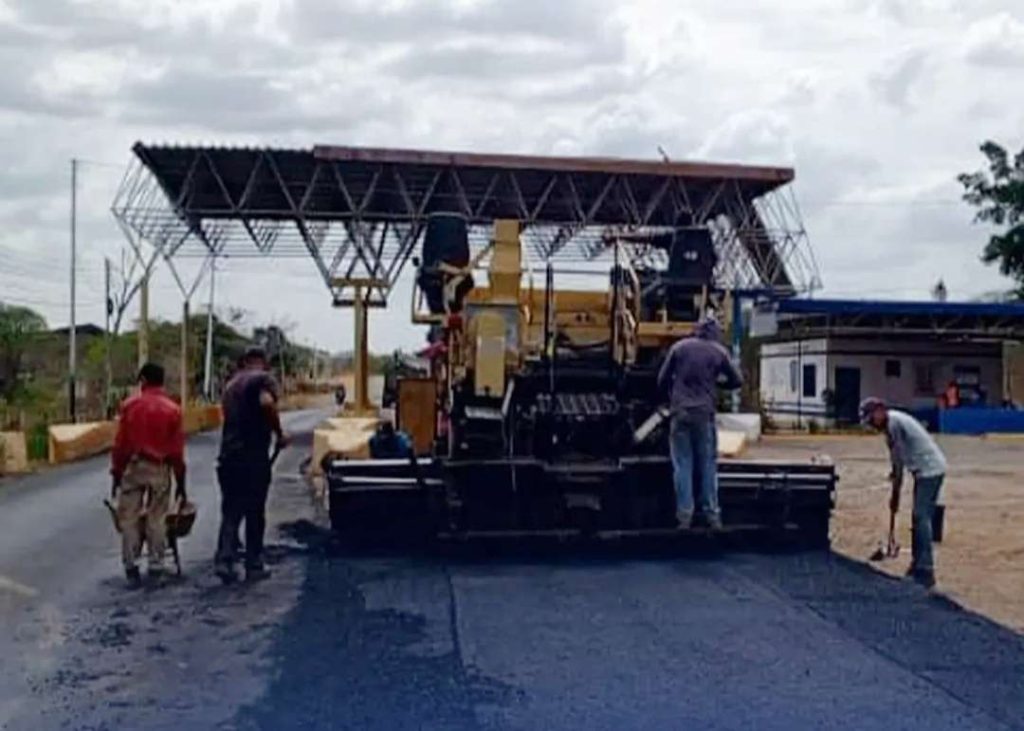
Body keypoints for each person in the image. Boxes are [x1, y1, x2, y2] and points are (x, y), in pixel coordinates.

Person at [656, 317, 743, 530]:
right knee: (707, 465)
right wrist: (717, 383)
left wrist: (672, 395)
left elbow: (662, 379)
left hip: (680, 413)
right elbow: (737, 380)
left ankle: (684, 516)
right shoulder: (719, 352)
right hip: (705, 415)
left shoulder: (679, 348)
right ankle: (712, 515)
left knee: (682, 464)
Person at [214, 346, 289, 584]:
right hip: (252, 457)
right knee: (255, 511)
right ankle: (253, 564)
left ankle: (225, 559)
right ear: (263, 362)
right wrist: (279, 433)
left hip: (228, 457)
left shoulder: (230, 385)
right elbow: (267, 403)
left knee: (231, 510)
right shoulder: (263, 380)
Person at [110, 363, 186, 589]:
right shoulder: (173, 409)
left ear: (142, 380)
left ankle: (131, 565)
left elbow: (120, 445)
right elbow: (177, 451)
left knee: (129, 518)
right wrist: (181, 482)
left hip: (134, 467)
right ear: (162, 381)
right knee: (157, 517)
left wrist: (116, 473)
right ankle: (156, 565)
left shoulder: (129, 406)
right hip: (160, 467)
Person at [860, 397, 947, 589]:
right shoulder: (889, 427)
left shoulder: (894, 424)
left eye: (871, 419)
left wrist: (896, 495)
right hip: (922, 471)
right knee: (918, 518)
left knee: (920, 516)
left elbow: (899, 463)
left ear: (880, 411)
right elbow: (895, 462)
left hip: (930, 470)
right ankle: (917, 565)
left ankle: (926, 570)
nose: (872, 425)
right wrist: (895, 485)